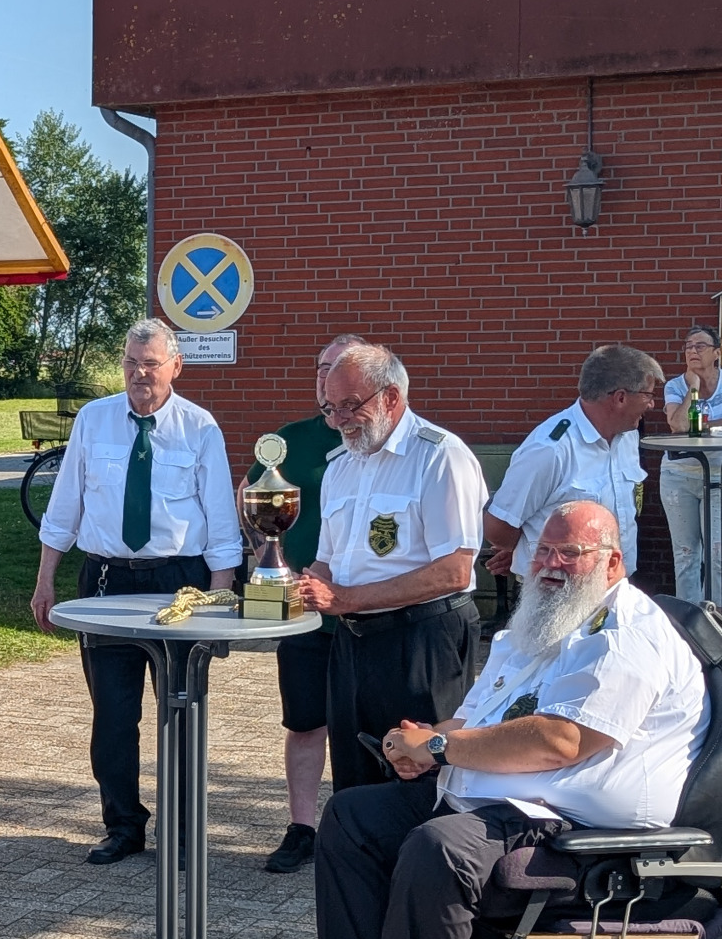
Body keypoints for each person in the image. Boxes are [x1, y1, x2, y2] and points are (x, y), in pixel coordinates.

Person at [292, 502, 707, 939]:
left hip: (574, 824)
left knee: (440, 847)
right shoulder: (545, 620)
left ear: (613, 562)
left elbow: (561, 741)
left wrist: (439, 747)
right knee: (354, 816)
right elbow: (479, 715)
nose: (552, 564)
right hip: (503, 797)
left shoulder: (625, 637)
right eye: (544, 550)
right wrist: (421, 742)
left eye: (571, 553)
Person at [30, 318, 240, 863]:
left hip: (179, 585)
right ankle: (123, 826)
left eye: (150, 363)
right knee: (114, 717)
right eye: (130, 362)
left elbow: (221, 520)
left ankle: (183, 829)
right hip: (106, 583)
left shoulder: (200, 428)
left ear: (176, 366)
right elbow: (64, 506)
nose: (139, 373)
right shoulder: (94, 419)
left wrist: (219, 599)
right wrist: (45, 580)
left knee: (181, 710)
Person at [297, 344, 488, 793]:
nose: (339, 420)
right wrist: (287, 588)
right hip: (353, 642)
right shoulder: (339, 465)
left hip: (422, 641)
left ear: (391, 397)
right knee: (354, 776)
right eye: (330, 408)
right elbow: (328, 562)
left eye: (350, 405)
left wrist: (346, 599)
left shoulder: (441, 456)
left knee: (424, 779)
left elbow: (454, 571)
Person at [264, 334, 364, 874]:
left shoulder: (377, 441)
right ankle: (301, 827)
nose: (328, 380)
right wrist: (269, 560)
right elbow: (252, 499)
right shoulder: (288, 441)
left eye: (339, 370)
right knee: (305, 722)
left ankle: (357, 831)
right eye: (322, 369)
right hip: (304, 611)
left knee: (366, 727)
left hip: (370, 611)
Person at [484, 344, 661, 587]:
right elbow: (498, 527)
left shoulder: (627, 435)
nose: (651, 404)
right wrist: (527, 550)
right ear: (620, 397)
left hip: (615, 587)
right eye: (648, 395)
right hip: (556, 591)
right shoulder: (550, 449)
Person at [662, 324, 722, 601]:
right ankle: (688, 620)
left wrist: (701, 427)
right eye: (688, 346)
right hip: (678, 476)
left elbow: (691, 428)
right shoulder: (676, 385)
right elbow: (678, 425)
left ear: (717, 353)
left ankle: (716, 619)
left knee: (718, 555)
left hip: (718, 475)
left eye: (700, 346)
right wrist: (694, 388)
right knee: (686, 555)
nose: (692, 351)